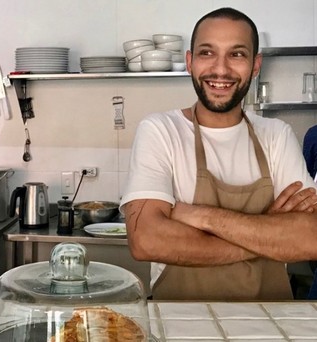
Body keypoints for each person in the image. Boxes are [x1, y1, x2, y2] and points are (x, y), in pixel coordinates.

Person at [120, 7, 317, 301]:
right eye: (207, 53)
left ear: (255, 65)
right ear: (190, 61)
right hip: (180, 327)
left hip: (270, 328)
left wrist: (197, 216)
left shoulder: (277, 135)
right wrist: (266, 233)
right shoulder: (161, 130)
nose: (221, 69)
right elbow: (147, 240)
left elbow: (310, 238)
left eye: (237, 54)